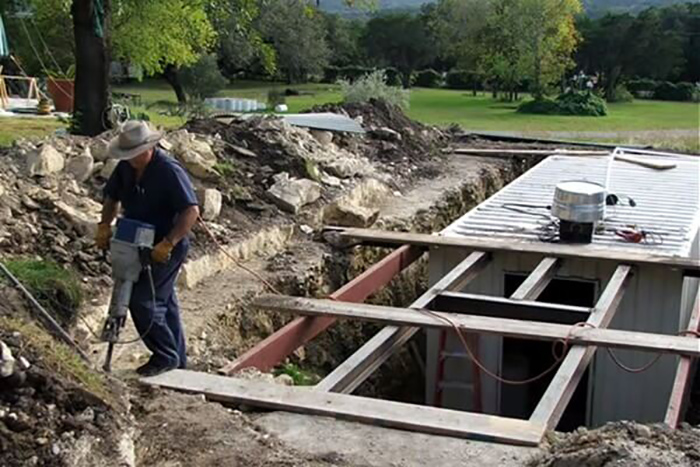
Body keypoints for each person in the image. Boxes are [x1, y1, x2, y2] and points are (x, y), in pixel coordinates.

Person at [95, 121, 200, 377]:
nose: (131, 159)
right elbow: (112, 198)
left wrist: (168, 243)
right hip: (134, 239)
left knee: (143, 301)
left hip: (166, 244)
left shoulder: (168, 171)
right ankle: (178, 359)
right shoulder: (126, 168)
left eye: (135, 154)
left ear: (149, 148)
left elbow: (191, 211)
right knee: (164, 302)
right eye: (127, 155)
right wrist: (104, 225)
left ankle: (165, 357)